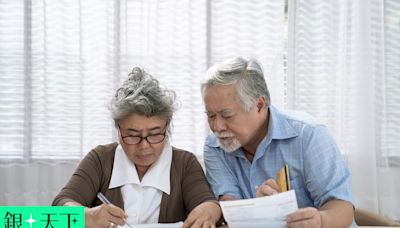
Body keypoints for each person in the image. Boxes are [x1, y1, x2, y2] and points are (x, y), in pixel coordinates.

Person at [53, 67, 221, 228]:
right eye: (133, 135)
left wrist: (210, 210)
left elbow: (208, 204)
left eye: (155, 134)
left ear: (166, 127)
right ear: (118, 130)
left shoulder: (185, 163)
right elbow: (58, 209)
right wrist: (87, 217)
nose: (144, 146)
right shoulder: (100, 159)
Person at [201, 57, 354, 228]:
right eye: (210, 115)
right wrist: (259, 212)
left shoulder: (308, 135)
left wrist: (320, 220)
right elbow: (230, 207)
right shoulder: (214, 146)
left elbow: (343, 207)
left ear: (259, 105)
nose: (217, 126)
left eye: (227, 115)